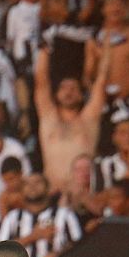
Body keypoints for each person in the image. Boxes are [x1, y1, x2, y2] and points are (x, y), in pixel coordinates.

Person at [34, 42, 108, 192]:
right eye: (64, 88)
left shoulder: (88, 120)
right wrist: (44, 50)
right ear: (56, 94)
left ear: (81, 96)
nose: (68, 92)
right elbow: (41, 82)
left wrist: (104, 53)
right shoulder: (48, 117)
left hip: (83, 196)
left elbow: (101, 81)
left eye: (74, 88)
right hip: (52, 193)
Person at [0, 173, 84, 257]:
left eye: (38, 182)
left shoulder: (65, 214)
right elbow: (0, 252)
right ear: (22, 190)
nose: (32, 186)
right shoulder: (12, 217)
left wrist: (58, 254)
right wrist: (33, 236)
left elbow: (79, 245)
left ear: (48, 188)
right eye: (27, 183)